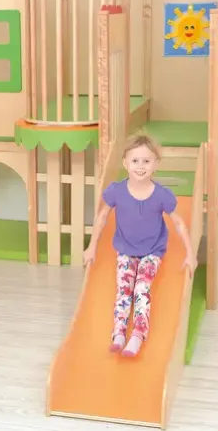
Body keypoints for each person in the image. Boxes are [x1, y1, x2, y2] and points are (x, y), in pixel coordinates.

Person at [82, 133, 196, 357]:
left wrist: (190, 253)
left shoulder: (162, 195)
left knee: (142, 288)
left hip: (152, 251)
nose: (141, 166)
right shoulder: (116, 190)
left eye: (146, 161)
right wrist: (92, 246)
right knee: (124, 289)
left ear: (156, 164)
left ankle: (137, 335)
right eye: (135, 161)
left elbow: (179, 223)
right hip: (126, 249)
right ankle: (119, 333)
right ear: (125, 163)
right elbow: (102, 217)